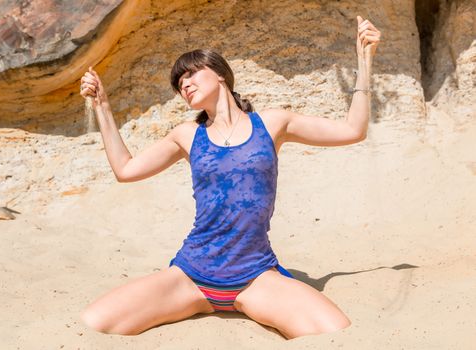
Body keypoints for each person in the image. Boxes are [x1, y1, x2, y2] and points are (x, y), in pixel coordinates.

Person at [78, 16, 381, 339]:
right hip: (191, 276)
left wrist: (364, 61)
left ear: (221, 74)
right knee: (96, 320)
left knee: (334, 330)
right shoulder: (187, 135)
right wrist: (103, 106)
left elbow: (353, 130)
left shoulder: (272, 123)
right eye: (179, 83)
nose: (184, 84)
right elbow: (126, 170)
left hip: (254, 278)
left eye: (191, 73)